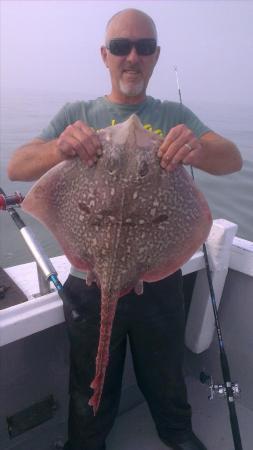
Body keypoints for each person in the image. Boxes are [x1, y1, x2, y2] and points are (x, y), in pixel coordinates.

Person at [8, 8, 242, 450]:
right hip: (88, 277)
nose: (132, 56)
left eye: (144, 47)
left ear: (155, 56)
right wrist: (60, 147)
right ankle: (87, 441)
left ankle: (176, 431)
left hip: (157, 275)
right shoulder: (77, 113)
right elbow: (17, 166)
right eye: (121, 47)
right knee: (90, 377)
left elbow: (231, 159)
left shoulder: (174, 114)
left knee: (165, 369)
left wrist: (195, 147)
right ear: (105, 55)